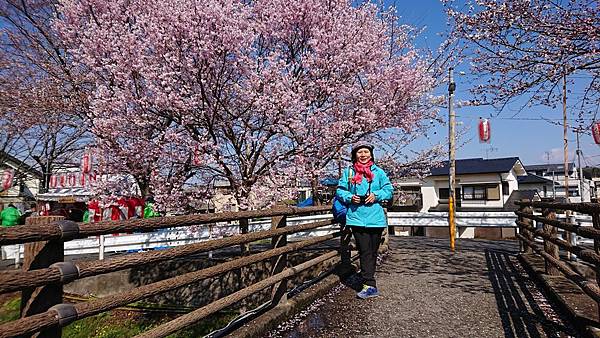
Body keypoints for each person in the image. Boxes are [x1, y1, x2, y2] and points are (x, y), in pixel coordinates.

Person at [336, 142, 393, 299]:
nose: (363, 155)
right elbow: (340, 191)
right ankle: (369, 284)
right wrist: (350, 197)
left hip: (375, 218)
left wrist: (376, 195)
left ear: (371, 154)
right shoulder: (349, 172)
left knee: (372, 252)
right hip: (356, 217)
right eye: (359, 152)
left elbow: (389, 190)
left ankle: (368, 280)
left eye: (366, 152)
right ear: (354, 155)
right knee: (364, 250)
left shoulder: (379, 172)